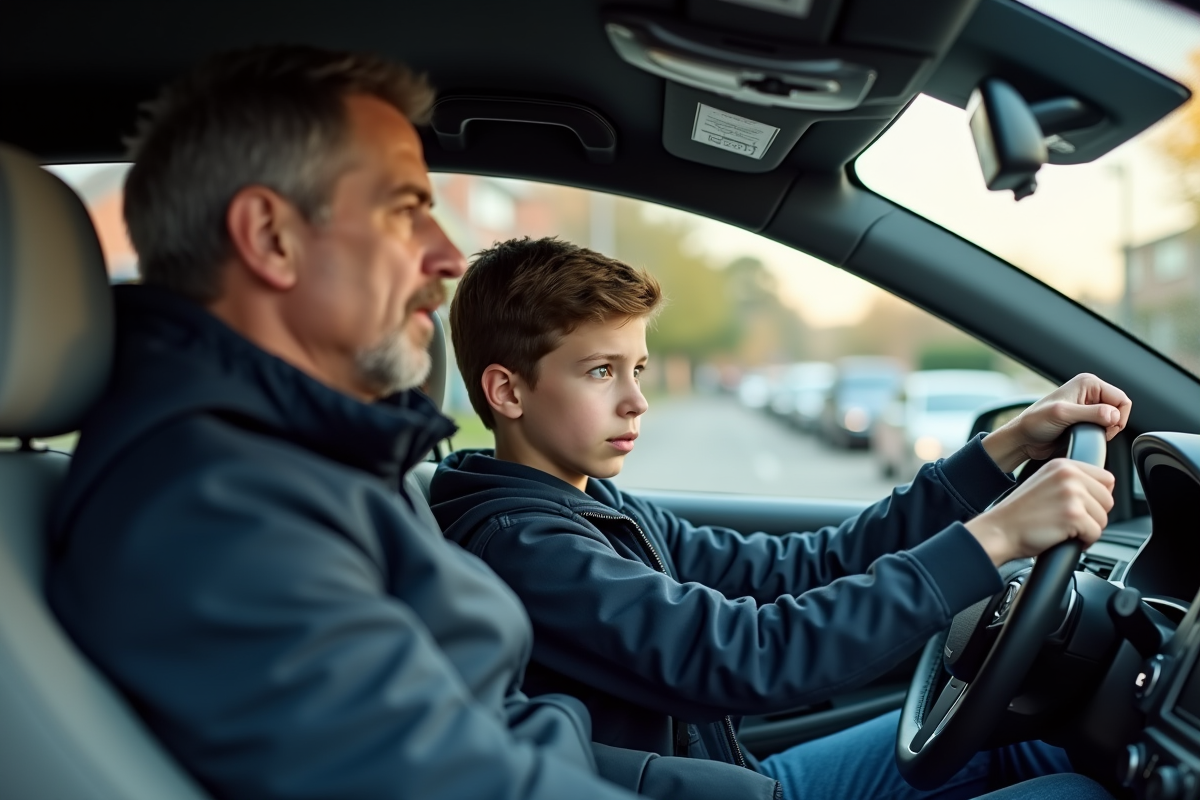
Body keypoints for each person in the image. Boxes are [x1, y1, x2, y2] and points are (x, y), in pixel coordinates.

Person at [46, 46, 784, 800]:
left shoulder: (324, 462)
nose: (448, 256)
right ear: (271, 237)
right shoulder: (214, 510)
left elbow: (489, 732)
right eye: (405, 210)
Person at [429, 236, 1130, 800]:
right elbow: (750, 656)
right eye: (600, 372)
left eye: (637, 368)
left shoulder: (594, 506)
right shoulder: (524, 546)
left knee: (1016, 741)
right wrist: (995, 539)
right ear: (508, 391)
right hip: (718, 787)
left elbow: (803, 566)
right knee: (1073, 792)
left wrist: (1002, 450)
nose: (637, 400)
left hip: (728, 775)